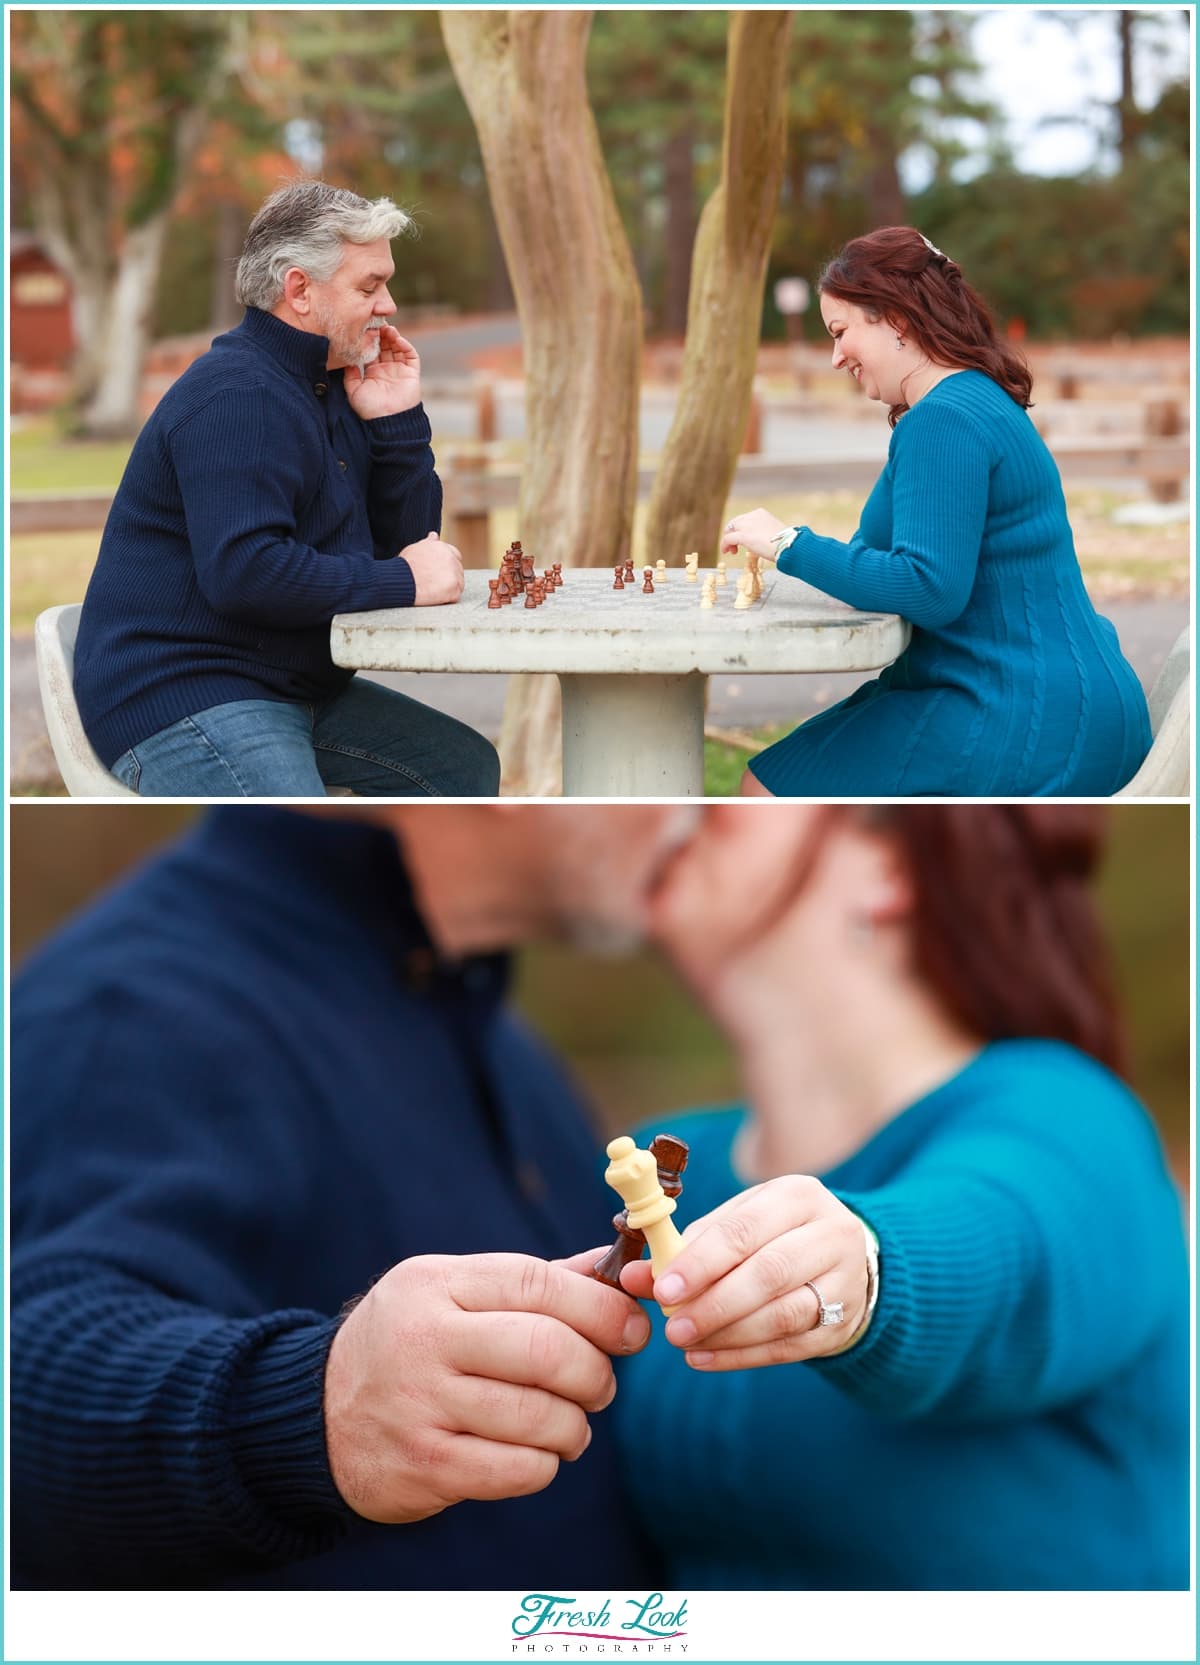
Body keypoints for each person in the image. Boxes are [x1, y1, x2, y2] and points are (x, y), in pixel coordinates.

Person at [10, 804, 702, 1588]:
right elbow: (27, 1379)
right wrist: (317, 1410)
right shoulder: (124, 1010)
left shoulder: (494, 1040)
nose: (693, 813)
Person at [611, 804, 1189, 1590]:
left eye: (720, 810)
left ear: (889, 869)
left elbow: (1003, 1241)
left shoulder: (1071, 1114)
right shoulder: (667, 1158)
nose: (673, 814)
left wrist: (866, 1269)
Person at [72, 180, 500, 797]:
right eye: (369, 286)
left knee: (461, 770)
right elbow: (246, 572)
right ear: (299, 290)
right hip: (183, 693)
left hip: (291, 688)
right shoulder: (236, 394)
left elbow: (411, 542)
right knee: (296, 831)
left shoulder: (333, 382)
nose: (389, 306)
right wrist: (404, 580)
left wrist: (396, 420)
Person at [723, 227, 1151, 797]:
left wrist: (787, 544)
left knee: (766, 790)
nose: (834, 358)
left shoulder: (944, 420)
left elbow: (928, 587)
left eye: (841, 332)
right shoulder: (969, 399)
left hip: (1017, 712)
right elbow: (878, 552)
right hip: (1056, 697)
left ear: (896, 319)